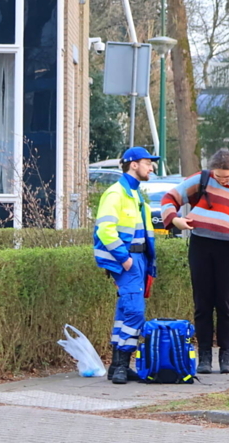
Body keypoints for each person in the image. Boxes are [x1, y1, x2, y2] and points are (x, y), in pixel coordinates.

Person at [161, 149, 229, 375]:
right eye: (218, 176)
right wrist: (175, 219)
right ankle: (204, 357)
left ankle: (226, 356)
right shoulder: (203, 178)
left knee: (227, 303)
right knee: (202, 303)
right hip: (201, 244)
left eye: (225, 177)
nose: (221, 181)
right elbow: (170, 198)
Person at [93, 147, 158, 385]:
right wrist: (124, 258)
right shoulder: (116, 194)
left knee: (125, 313)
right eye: (147, 163)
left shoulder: (133, 193)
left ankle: (116, 365)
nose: (151, 167)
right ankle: (121, 365)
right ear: (133, 164)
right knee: (134, 312)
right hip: (129, 261)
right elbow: (105, 229)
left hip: (138, 259)